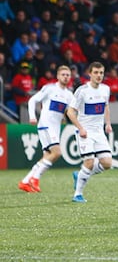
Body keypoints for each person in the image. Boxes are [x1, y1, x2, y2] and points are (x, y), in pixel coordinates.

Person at [18, 65, 73, 193]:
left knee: (48, 156)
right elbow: (32, 100)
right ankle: (35, 179)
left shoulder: (69, 94)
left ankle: (25, 182)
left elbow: (67, 111)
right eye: (63, 74)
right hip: (46, 125)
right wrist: (32, 117)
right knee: (57, 152)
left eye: (68, 75)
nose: (65, 77)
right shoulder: (50, 88)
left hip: (55, 128)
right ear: (58, 76)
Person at [67, 62, 113, 203]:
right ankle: (77, 194)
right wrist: (80, 128)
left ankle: (79, 174)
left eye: (101, 73)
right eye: (96, 73)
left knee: (107, 163)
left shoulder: (106, 89)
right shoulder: (82, 91)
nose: (99, 76)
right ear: (90, 73)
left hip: (99, 132)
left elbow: (106, 107)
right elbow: (70, 111)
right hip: (85, 132)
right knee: (89, 161)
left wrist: (108, 124)